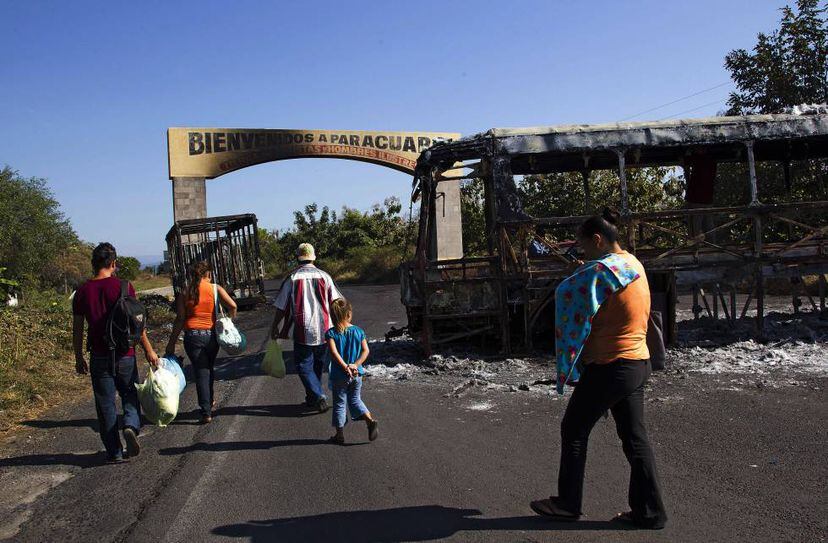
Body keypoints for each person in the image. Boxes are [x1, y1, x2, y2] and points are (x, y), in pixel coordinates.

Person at [530, 208, 668, 530]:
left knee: (574, 429)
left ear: (597, 239)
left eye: (585, 247)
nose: (583, 254)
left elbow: (566, 293)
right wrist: (589, 270)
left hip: (611, 365)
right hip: (637, 361)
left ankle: (567, 504)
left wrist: (584, 273)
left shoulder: (600, 272)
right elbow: (603, 282)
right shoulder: (632, 263)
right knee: (635, 438)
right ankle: (651, 512)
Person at [72, 242, 159, 463]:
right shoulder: (124, 286)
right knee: (130, 394)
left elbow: (78, 328)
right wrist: (149, 351)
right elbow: (136, 324)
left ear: (94, 263)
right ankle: (130, 425)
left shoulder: (82, 291)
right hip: (125, 353)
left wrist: (78, 356)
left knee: (105, 404)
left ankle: (115, 452)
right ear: (113, 263)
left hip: (98, 355)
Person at [270, 243, 342, 413]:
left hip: (303, 329)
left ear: (298, 257)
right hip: (325, 328)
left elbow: (282, 307)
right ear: (313, 257)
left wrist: (275, 326)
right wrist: (341, 325)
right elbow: (336, 302)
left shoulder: (292, 278)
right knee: (317, 364)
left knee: (303, 365)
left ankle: (317, 396)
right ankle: (312, 398)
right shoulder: (325, 277)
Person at [165, 260, 237, 424]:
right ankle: (209, 402)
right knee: (208, 369)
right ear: (208, 274)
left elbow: (180, 319)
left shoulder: (184, 292)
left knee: (201, 371)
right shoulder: (215, 288)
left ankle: (206, 411)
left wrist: (171, 343)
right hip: (211, 336)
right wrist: (229, 322)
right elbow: (233, 305)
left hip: (192, 337)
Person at [325, 298, 378, 444]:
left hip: (339, 375)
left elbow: (334, 354)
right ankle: (369, 420)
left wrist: (345, 367)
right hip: (356, 374)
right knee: (355, 399)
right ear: (349, 314)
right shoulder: (358, 331)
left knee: (340, 403)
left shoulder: (331, 334)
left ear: (333, 315)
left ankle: (339, 435)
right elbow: (366, 350)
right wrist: (355, 365)